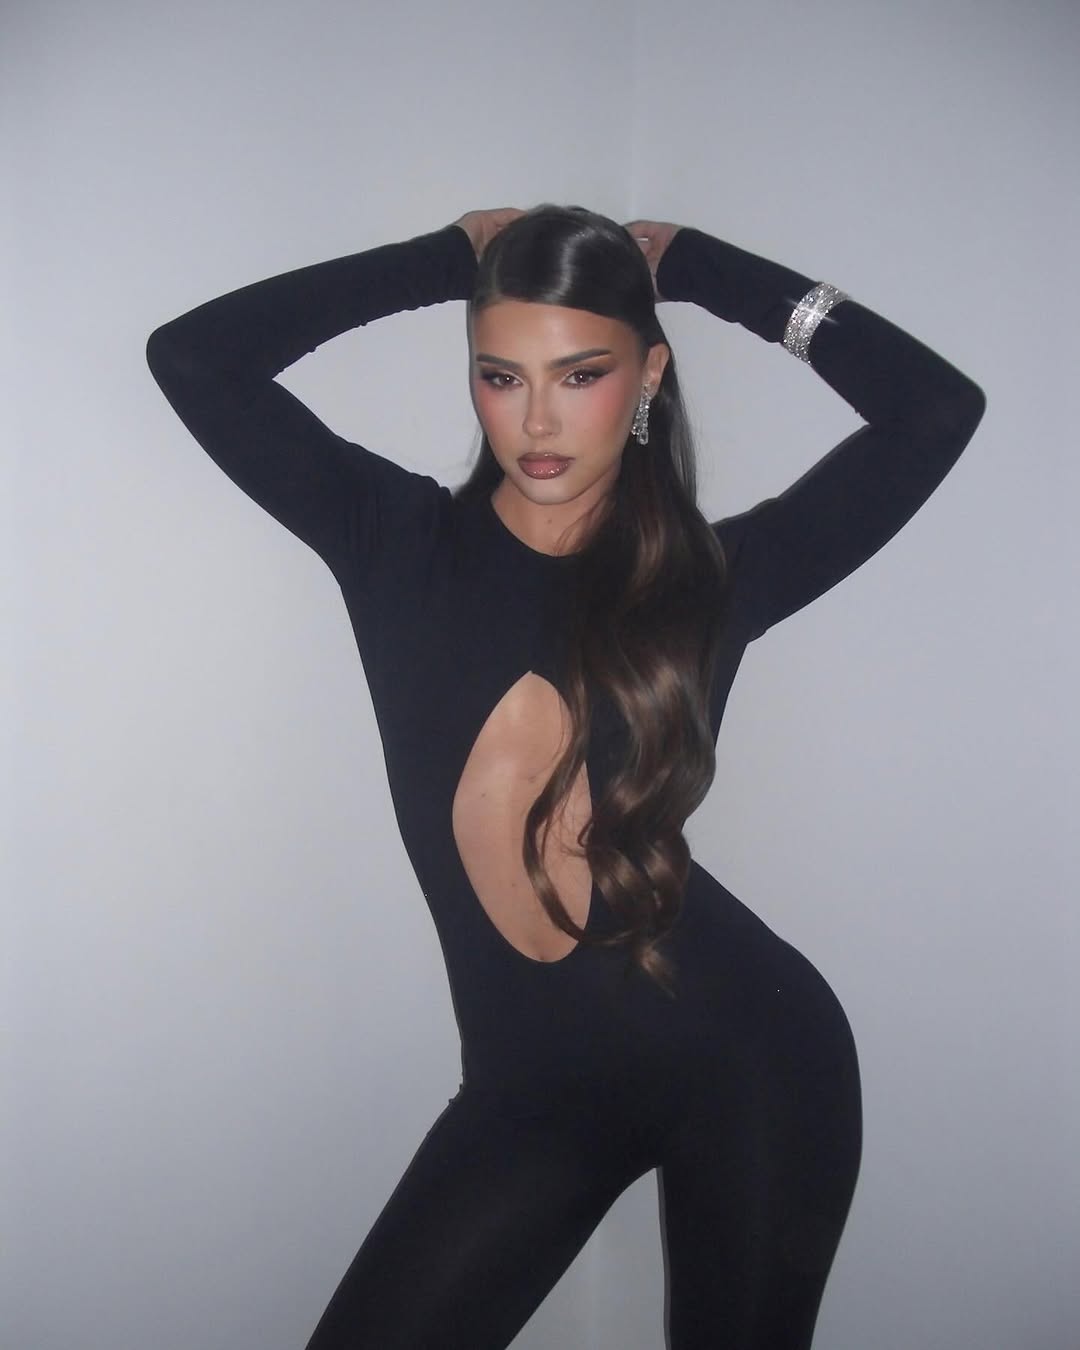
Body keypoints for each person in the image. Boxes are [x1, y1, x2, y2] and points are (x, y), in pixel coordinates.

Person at [145, 202, 985, 1349]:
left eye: (580, 374)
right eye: (501, 377)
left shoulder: (710, 581)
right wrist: (445, 259)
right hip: (529, 1090)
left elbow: (935, 410)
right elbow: (195, 358)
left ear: (648, 376)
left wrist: (701, 267)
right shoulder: (393, 541)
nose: (535, 419)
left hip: (751, 1060)